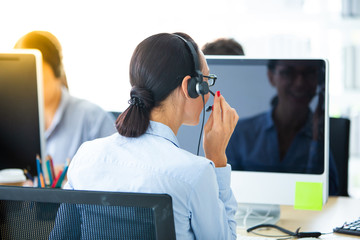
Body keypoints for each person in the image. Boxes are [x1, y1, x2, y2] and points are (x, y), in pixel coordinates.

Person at [53, 32, 239, 239]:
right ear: (190, 87)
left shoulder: (86, 156)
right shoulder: (195, 173)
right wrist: (217, 159)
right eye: (206, 80)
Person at [226, 60, 339, 195]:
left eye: (309, 73)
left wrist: (317, 140)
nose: (300, 83)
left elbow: (329, 194)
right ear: (271, 77)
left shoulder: (320, 134)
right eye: (288, 73)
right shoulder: (240, 132)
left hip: (303, 214)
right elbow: (228, 191)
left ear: (319, 81)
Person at [14, 31, 116, 166]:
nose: (28, 85)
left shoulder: (93, 119)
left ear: (57, 70)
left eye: (37, 77)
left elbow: (118, 169)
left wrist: (74, 174)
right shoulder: (13, 121)